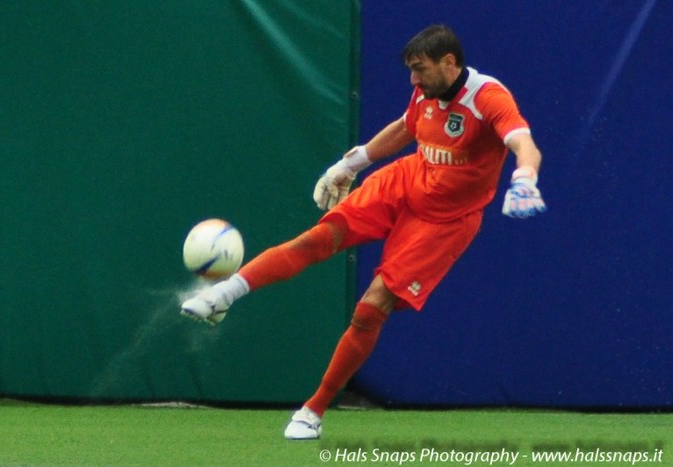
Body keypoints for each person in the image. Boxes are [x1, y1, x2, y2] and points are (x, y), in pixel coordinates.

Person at [181, 24, 546, 439]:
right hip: (405, 181)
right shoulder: (426, 91)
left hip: (445, 222)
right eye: (410, 70)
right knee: (316, 240)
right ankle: (222, 294)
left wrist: (525, 177)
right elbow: (406, 126)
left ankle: (312, 411)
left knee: (370, 309)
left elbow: (523, 142)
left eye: (420, 69)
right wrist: (349, 164)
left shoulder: (488, 98)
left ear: (449, 63)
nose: (412, 79)